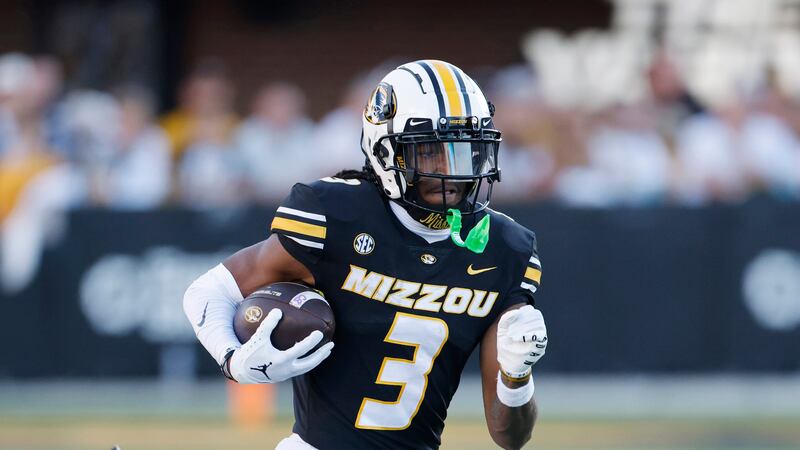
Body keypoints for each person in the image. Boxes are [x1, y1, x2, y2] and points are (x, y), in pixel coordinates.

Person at [184, 60, 548, 450]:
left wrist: (515, 377)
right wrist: (234, 362)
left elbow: (510, 437)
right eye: (430, 153)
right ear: (385, 151)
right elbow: (208, 291)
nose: (452, 173)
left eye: (465, 152)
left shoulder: (505, 249)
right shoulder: (336, 215)